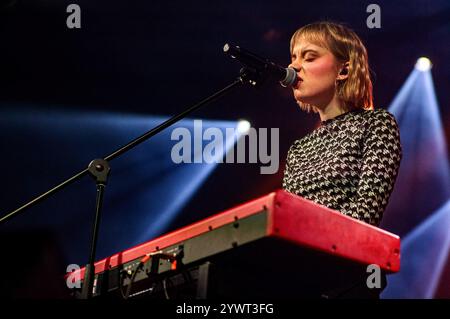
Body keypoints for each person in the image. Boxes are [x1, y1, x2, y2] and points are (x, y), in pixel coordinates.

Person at [282, 21, 402, 298]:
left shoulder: (377, 123)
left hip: (345, 281)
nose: (295, 67)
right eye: (293, 58)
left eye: (309, 57)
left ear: (344, 69)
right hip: (295, 277)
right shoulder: (299, 148)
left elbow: (364, 216)